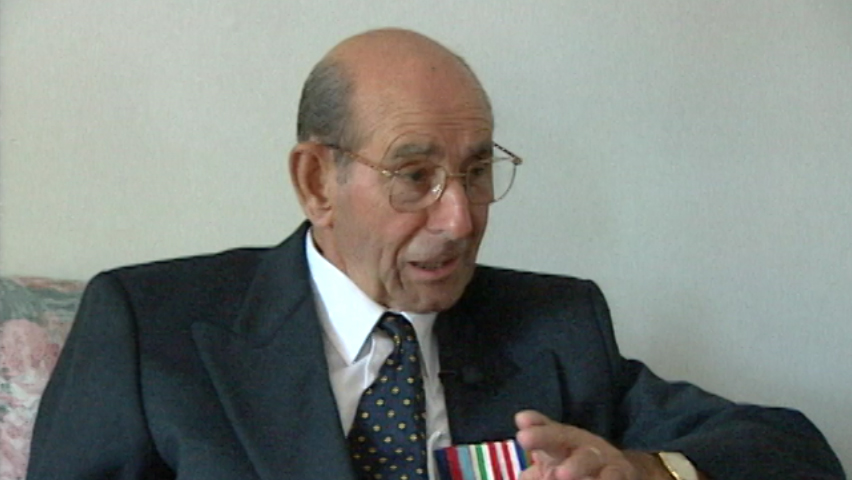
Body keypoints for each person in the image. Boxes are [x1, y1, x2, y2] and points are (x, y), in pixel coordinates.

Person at [28, 28, 844, 480]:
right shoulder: (153, 328)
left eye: (478, 171)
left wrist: (643, 473)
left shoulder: (554, 324)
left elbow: (794, 454)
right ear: (317, 181)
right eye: (414, 176)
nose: (459, 219)